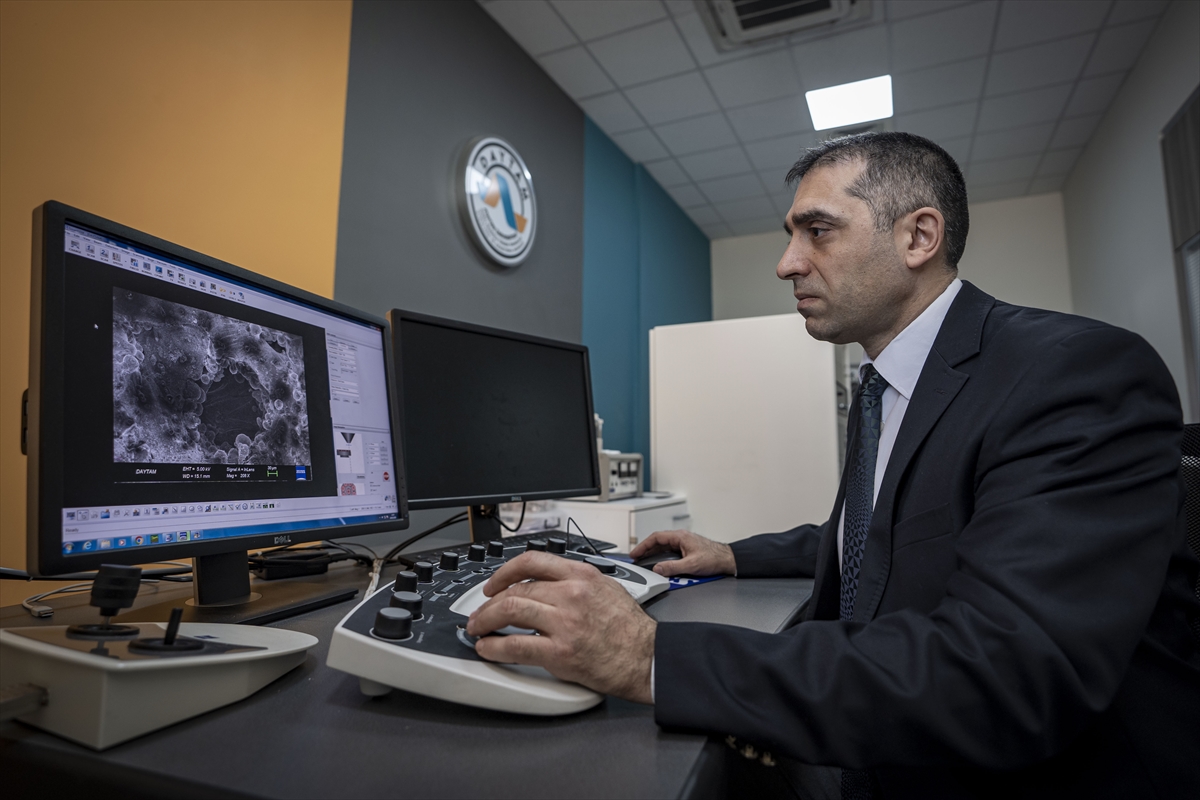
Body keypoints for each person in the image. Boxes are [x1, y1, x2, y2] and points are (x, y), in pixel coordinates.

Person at [465, 132, 1200, 797]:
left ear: (918, 236)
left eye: (817, 230)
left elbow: (1006, 674)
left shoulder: (1070, 373)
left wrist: (650, 655)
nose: (787, 263)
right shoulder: (886, 384)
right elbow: (893, 530)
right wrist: (734, 554)